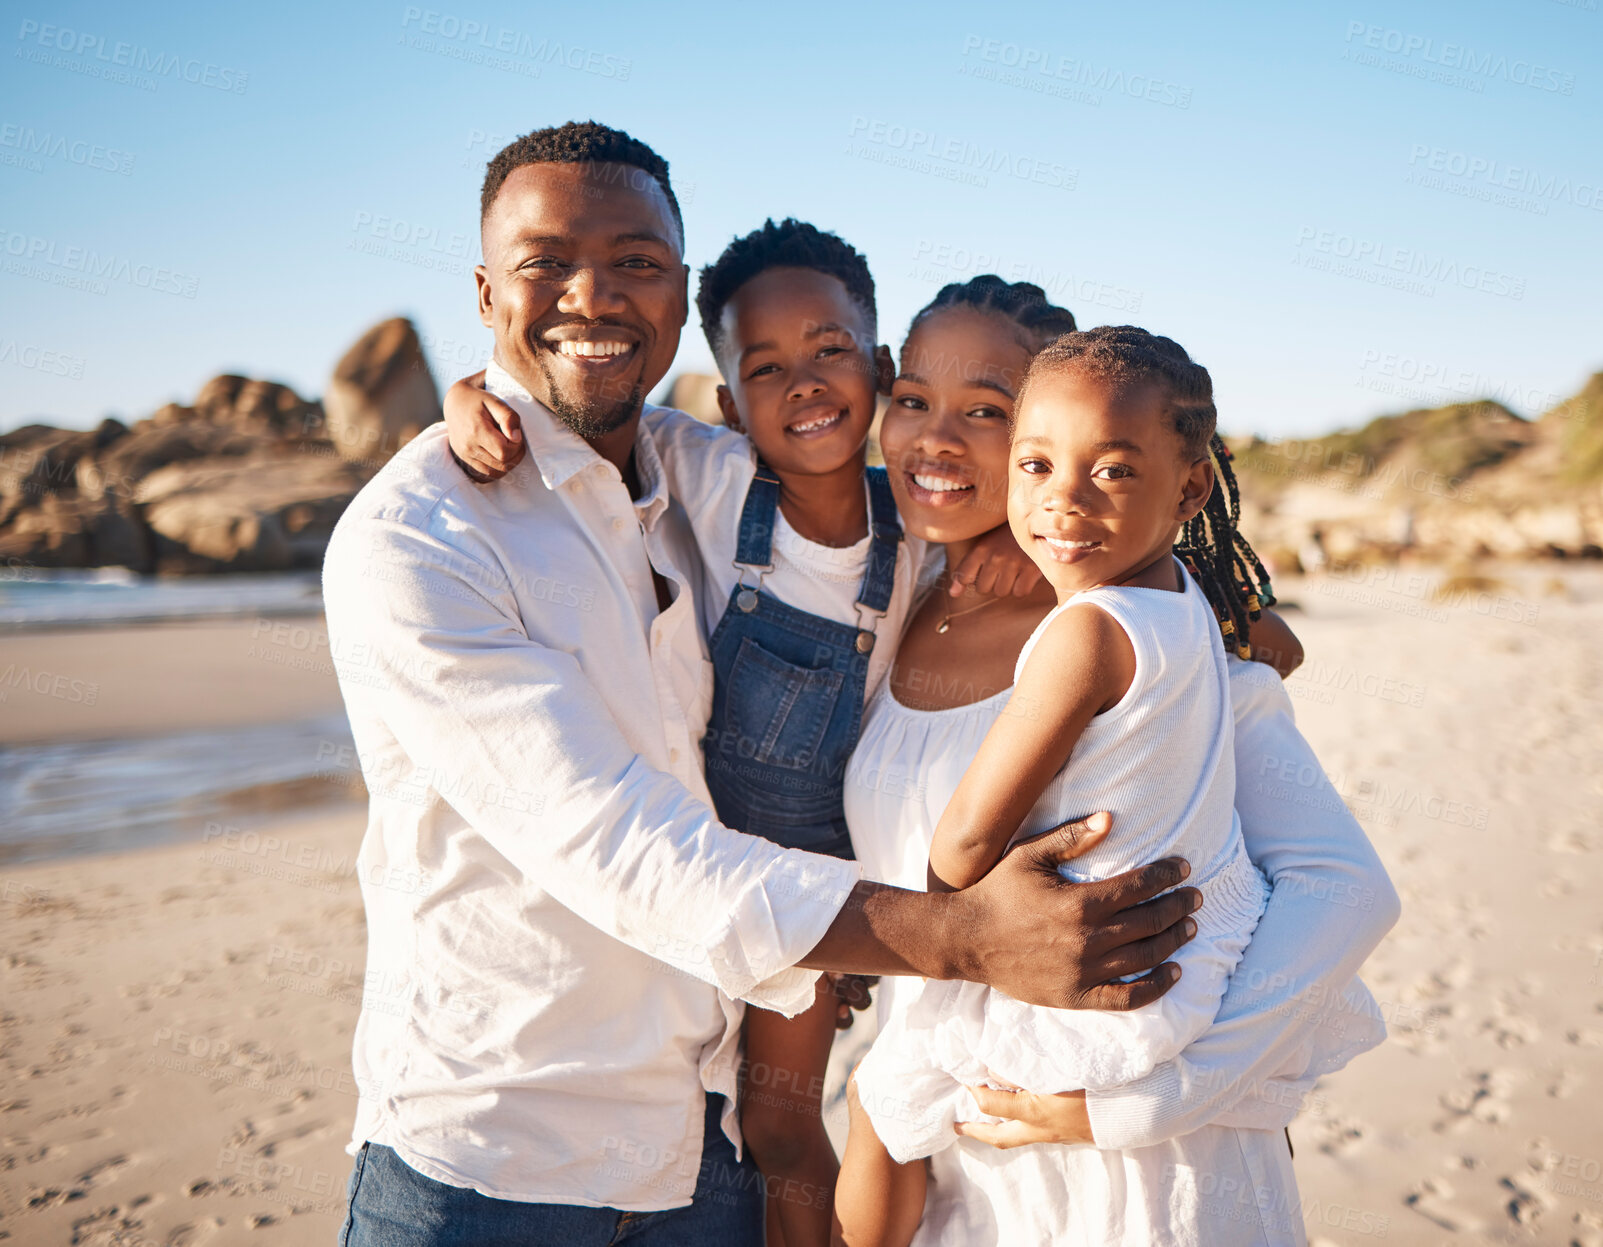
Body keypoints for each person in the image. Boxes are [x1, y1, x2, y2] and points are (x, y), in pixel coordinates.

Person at [323, 122, 1200, 1247]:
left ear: (675, 292)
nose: (592, 294)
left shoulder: (695, 470)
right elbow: (621, 844)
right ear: (487, 290)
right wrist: (954, 933)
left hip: (704, 1145)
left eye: (634, 261)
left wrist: (1206, 600)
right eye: (546, 262)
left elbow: (1038, 483)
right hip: (494, 1160)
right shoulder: (420, 537)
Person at [441, 216, 1036, 1247]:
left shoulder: (933, 521)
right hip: (734, 867)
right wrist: (466, 396)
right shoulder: (710, 479)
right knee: (764, 1113)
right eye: (765, 368)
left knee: (811, 1109)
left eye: (830, 352)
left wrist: (1206, 603)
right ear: (726, 403)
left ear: (883, 365)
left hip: (859, 875)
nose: (803, 384)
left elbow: (1073, 527)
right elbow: (570, 409)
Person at [837, 283, 1398, 1245]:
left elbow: (1343, 891)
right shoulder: (889, 602)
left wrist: (1170, 1096)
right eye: (912, 399)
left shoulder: (1182, 649)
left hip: (1135, 1167)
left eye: (985, 408)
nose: (936, 437)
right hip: (967, 1151)